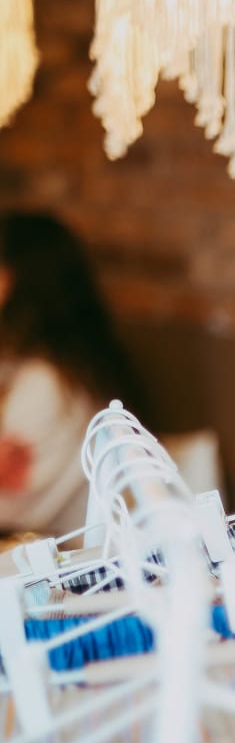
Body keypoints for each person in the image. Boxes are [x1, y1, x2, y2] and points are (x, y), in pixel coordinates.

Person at [0, 210, 144, 537]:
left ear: (16, 280)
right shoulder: (71, 365)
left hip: (62, 551)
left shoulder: (47, 384)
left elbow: (11, 505)